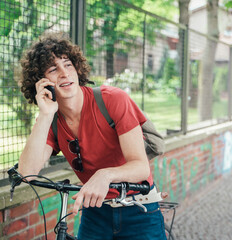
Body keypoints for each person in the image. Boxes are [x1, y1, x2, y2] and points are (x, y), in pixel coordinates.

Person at [18, 32, 166, 240]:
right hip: (95, 211)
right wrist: (44, 114)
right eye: (53, 69)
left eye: (67, 64)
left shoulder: (112, 100)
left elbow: (141, 167)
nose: (64, 73)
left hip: (138, 208)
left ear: (77, 68)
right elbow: (27, 173)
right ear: (41, 81)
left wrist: (104, 175)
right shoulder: (51, 119)